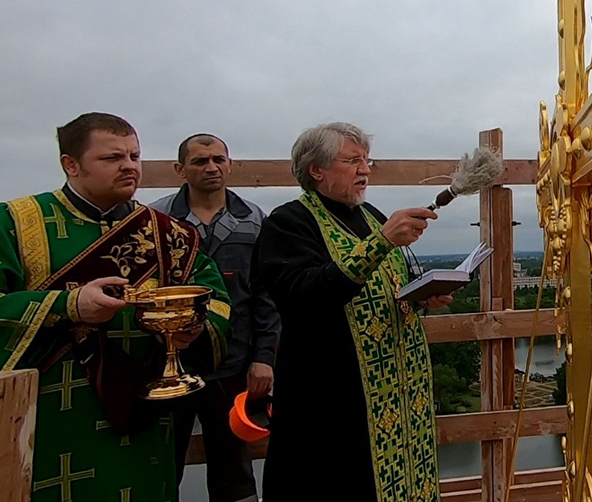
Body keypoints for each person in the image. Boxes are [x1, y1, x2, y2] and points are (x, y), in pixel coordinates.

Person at [0, 112, 231, 502]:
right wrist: (69, 304)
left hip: (143, 413)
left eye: (135, 156)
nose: (129, 166)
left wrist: (193, 326)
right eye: (112, 158)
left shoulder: (171, 233)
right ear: (70, 164)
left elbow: (217, 300)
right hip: (47, 413)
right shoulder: (17, 223)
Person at [254, 122, 452, 502]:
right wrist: (380, 242)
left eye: (367, 161)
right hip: (332, 398)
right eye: (353, 161)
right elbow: (304, 295)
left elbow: (388, 287)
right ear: (317, 169)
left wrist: (421, 295)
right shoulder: (288, 223)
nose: (365, 170)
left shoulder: (369, 215)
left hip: (398, 394)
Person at [149, 134, 278, 502]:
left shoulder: (252, 220)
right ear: (180, 169)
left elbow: (266, 297)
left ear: (230, 164)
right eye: (200, 161)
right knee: (162, 463)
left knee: (234, 466)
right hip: (169, 366)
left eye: (218, 159)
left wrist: (263, 358)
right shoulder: (158, 220)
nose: (211, 167)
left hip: (234, 363)